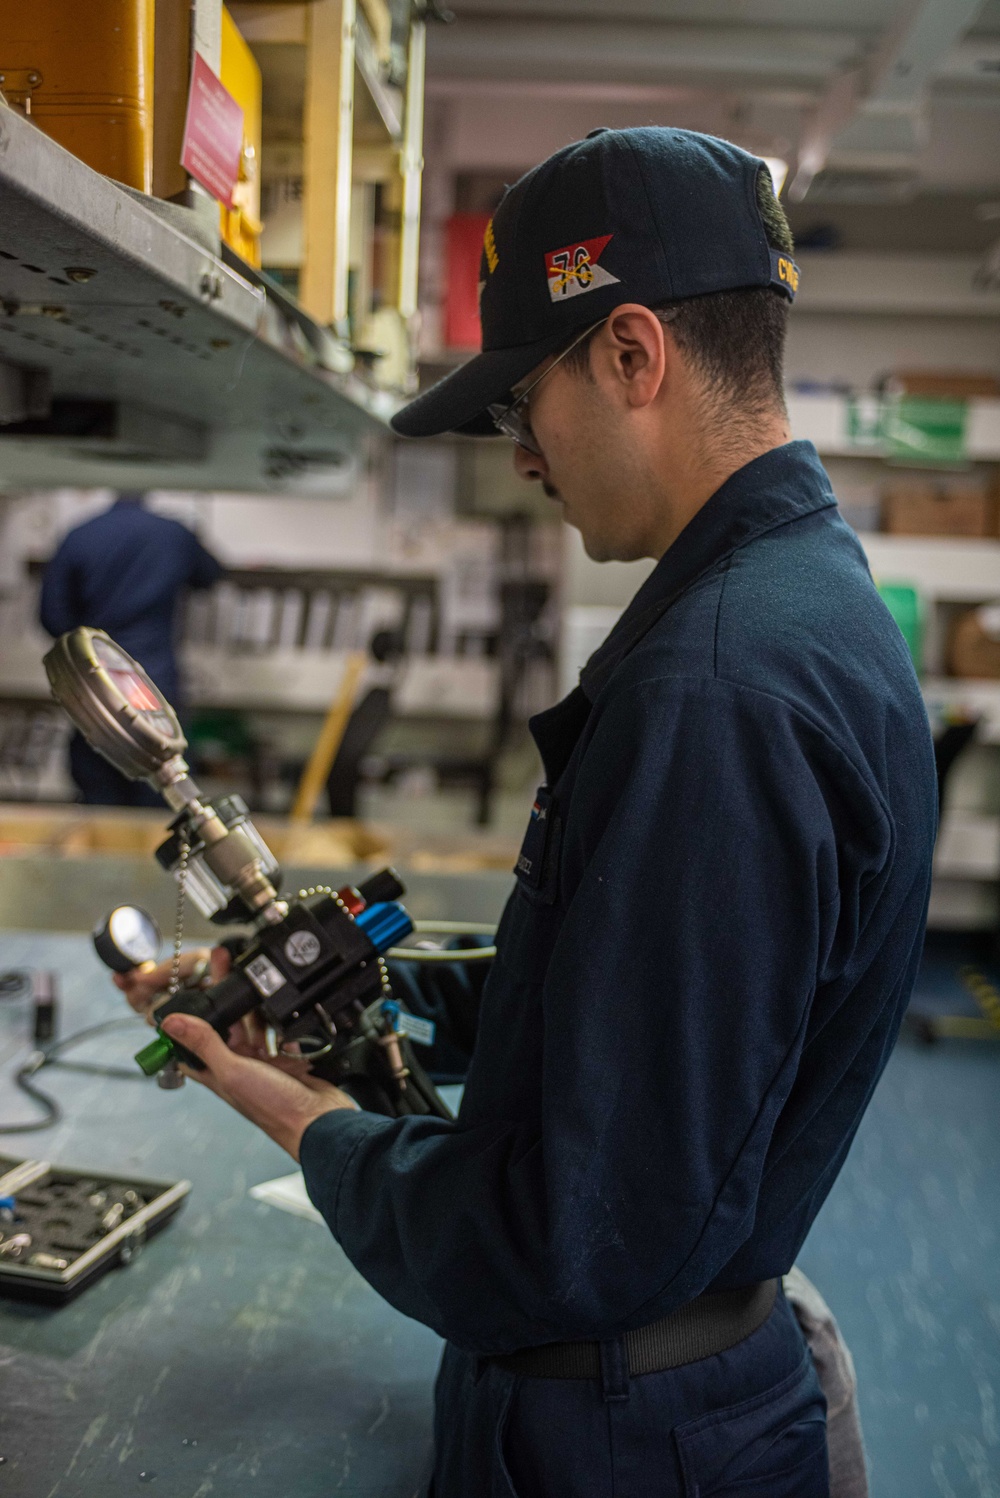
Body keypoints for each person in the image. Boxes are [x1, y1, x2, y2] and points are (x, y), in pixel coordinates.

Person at [118, 130, 936, 1496]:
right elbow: (668, 1010)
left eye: (521, 405)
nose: (524, 459)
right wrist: (400, 986)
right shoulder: (811, 603)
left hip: (621, 1432)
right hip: (678, 1380)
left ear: (631, 355)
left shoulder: (718, 687)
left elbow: (568, 1238)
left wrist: (308, 1123)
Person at [39, 490, 223, 805]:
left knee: (99, 791)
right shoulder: (173, 534)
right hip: (153, 682)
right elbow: (211, 575)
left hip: (94, 685)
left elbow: (52, 617)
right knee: (163, 789)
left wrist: (90, 644)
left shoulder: (81, 534)